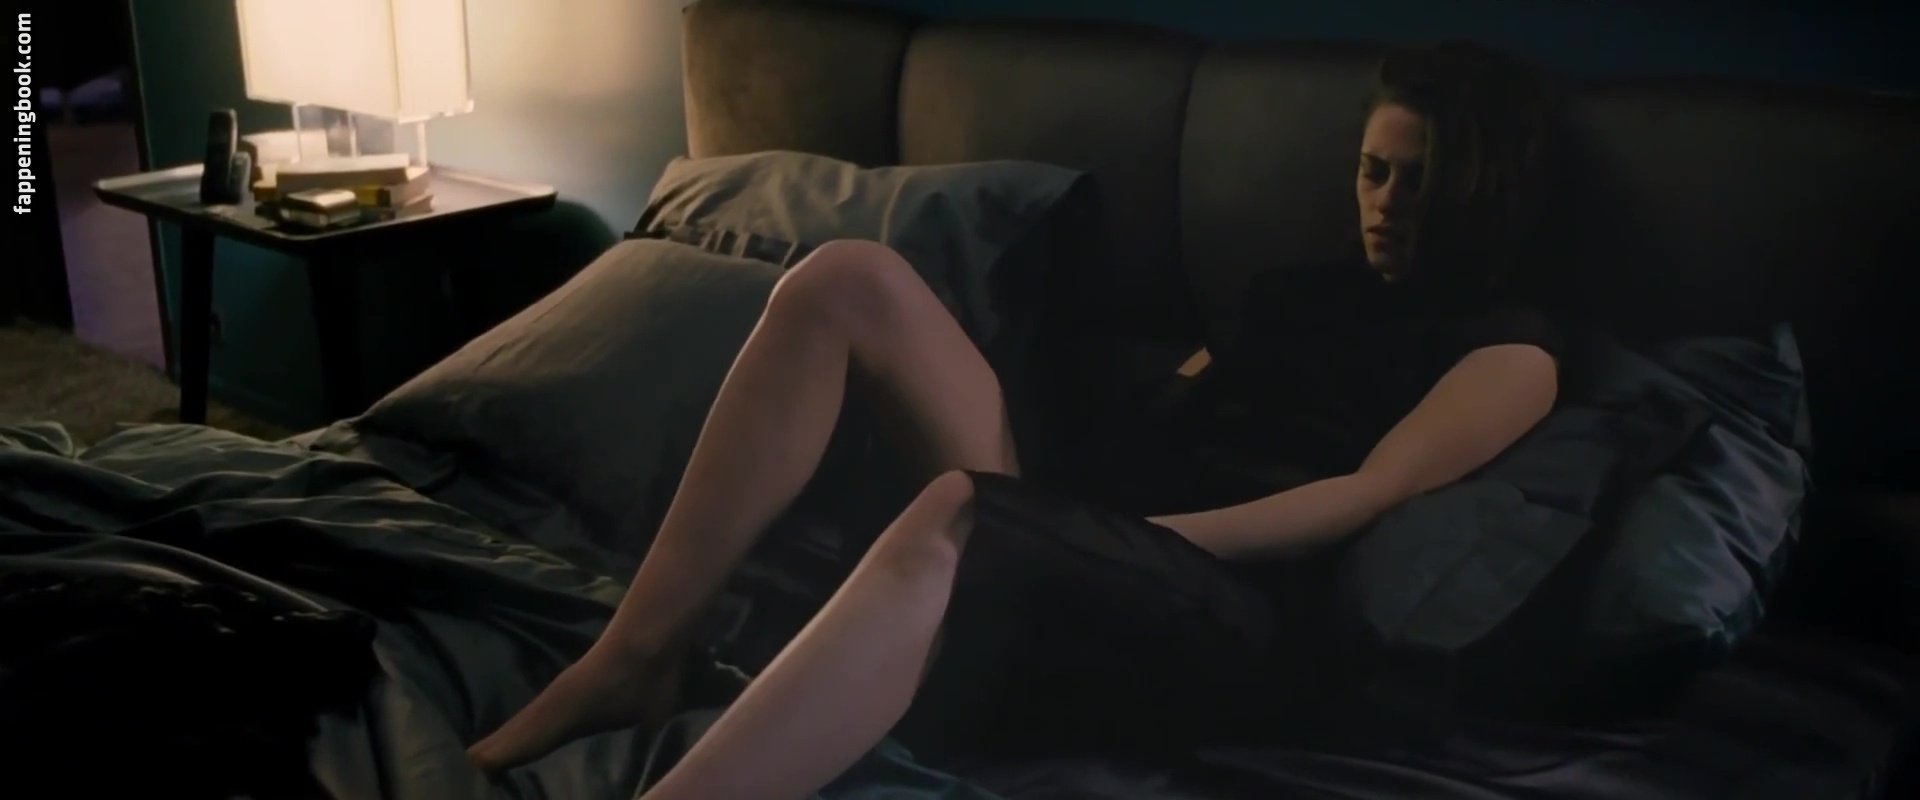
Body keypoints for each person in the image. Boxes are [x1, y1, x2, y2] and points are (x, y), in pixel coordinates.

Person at [468, 40, 1567, 799]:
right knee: (848, 278)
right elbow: (1172, 406)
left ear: (1476, 190)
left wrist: (1104, 530)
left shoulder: (1514, 351)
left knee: (967, 511)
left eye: (1416, 183)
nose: (1382, 203)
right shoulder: (1295, 291)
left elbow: (1362, 496)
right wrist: (1059, 484)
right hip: (1096, 523)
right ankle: (635, 655)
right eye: (1372, 172)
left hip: (1230, 606)